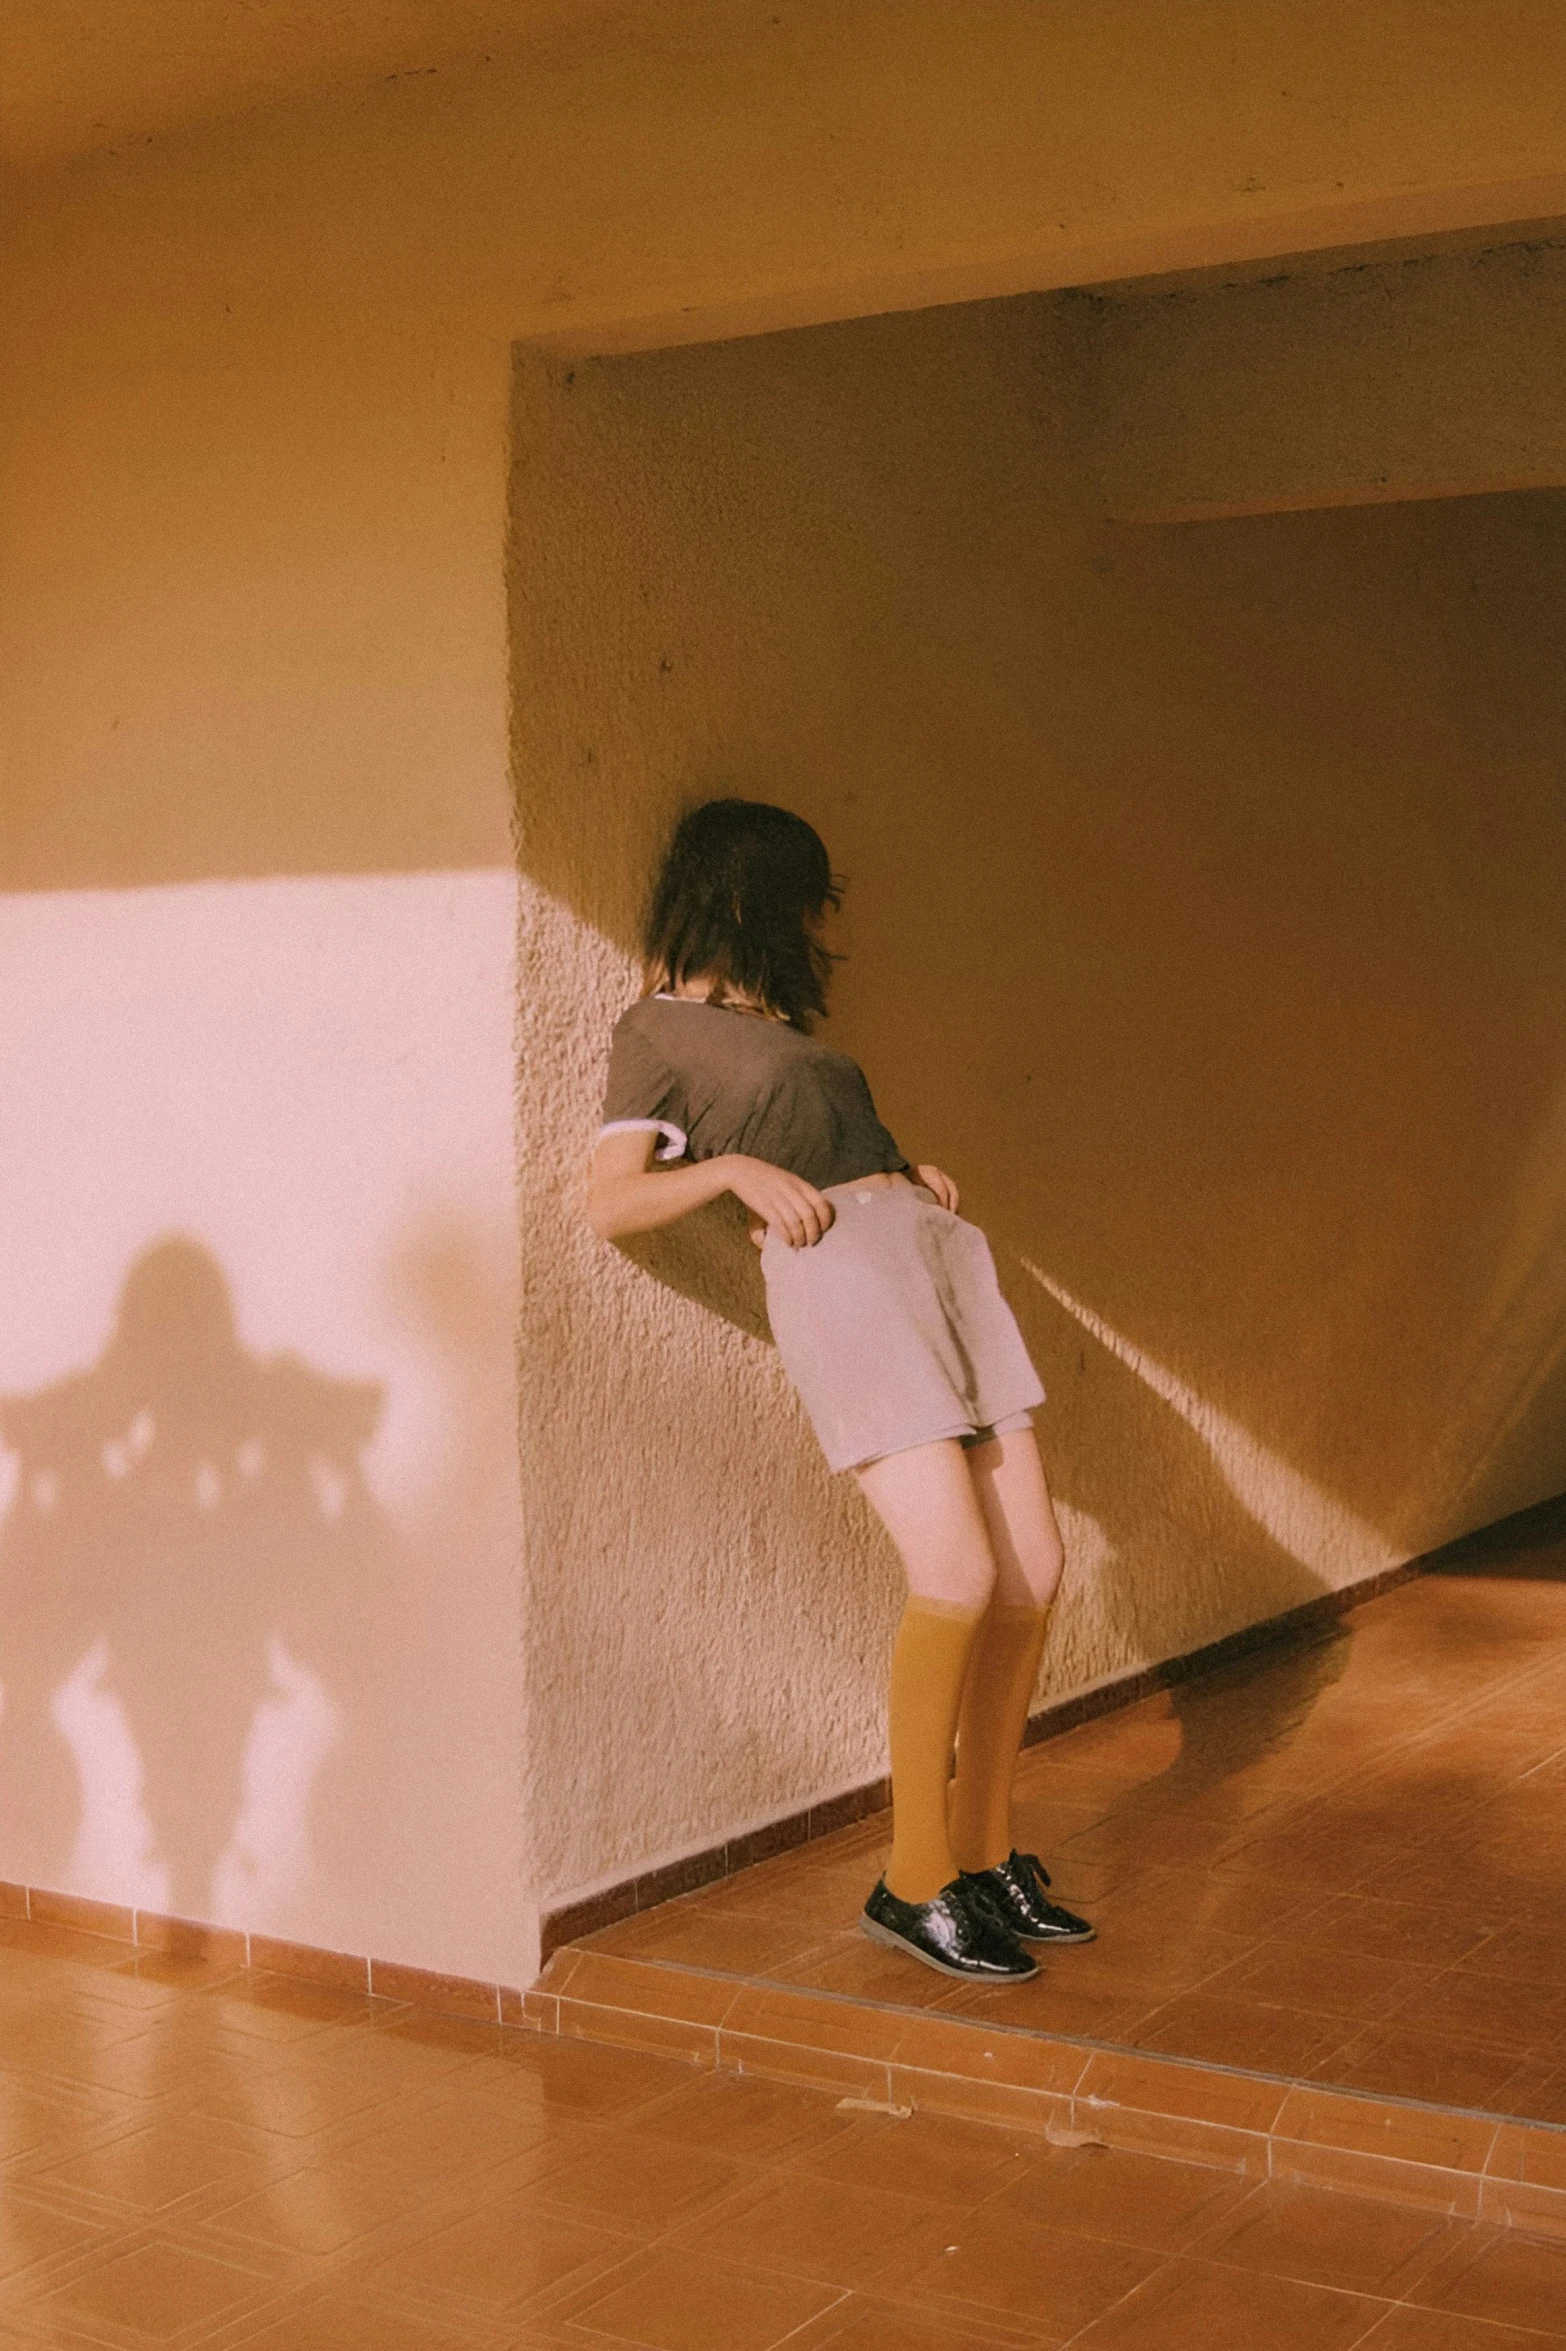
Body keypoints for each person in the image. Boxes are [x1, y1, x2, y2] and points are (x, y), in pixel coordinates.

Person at [586, 799, 1092, 1981]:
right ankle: (914, 1878)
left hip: (929, 1260)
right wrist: (731, 1171)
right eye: (808, 899)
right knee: (958, 1575)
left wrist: (906, 1170)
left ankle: (983, 1847)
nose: (819, 924)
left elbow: (827, 1137)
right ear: (753, 896)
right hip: (849, 1288)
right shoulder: (654, 1026)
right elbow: (610, 1199)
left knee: (1037, 1570)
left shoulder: (781, 1028)